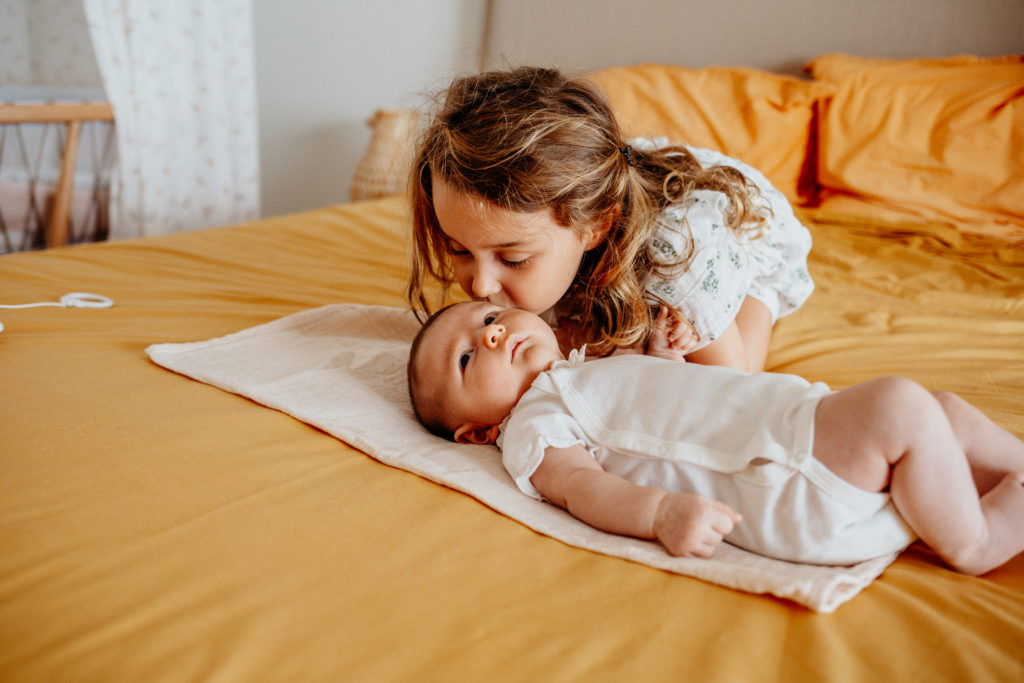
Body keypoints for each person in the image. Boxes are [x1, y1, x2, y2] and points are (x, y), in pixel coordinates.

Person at [406, 300, 1024, 574]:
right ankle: (976, 543)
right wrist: (661, 513)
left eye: (487, 318)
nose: (490, 334)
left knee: (938, 410)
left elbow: (653, 419)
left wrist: (662, 357)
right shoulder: (531, 428)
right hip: (785, 479)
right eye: (465, 359)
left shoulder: (583, 372)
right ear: (477, 431)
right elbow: (581, 486)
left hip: (797, 432)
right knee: (901, 406)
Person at [407, 66, 814, 371]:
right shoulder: (519, 227)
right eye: (458, 249)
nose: (480, 285)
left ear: (596, 226)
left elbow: (735, 399)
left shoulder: (682, 266)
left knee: (740, 374)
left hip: (749, 219)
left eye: (513, 259)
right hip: (617, 191)